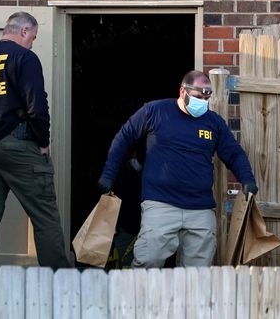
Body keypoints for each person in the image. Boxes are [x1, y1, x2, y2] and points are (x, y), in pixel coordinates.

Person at [98, 70, 258, 268]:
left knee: (197, 274)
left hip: (200, 209)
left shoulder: (213, 123)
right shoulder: (154, 111)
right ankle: (137, 300)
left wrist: (247, 179)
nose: (203, 103)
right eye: (198, 97)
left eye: (207, 98)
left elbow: (234, 153)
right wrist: (108, 174)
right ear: (183, 91)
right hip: (161, 204)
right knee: (148, 261)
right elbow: (124, 137)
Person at [0, 12, 71, 269]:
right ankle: (62, 283)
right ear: (24, 31)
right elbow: (37, 107)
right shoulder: (24, 58)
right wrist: (42, 141)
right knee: (45, 217)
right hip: (19, 147)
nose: (33, 43)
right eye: (33, 37)